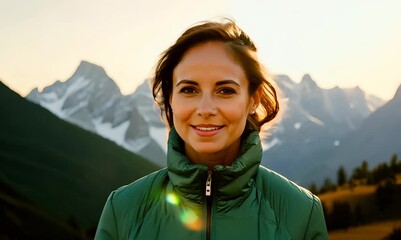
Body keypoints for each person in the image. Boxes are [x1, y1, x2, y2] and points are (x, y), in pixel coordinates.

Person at [95, 19, 328, 240]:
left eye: (225, 90)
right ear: (170, 98)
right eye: (189, 90)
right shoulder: (122, 209)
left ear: (253, 99)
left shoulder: (302, 213)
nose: (205, 109)